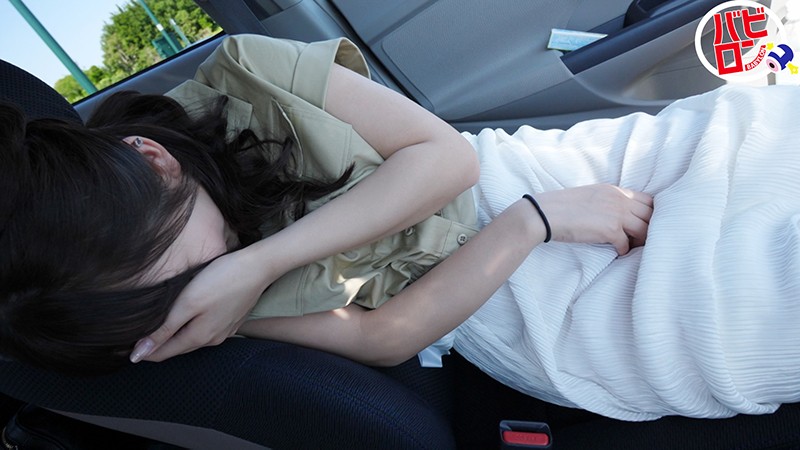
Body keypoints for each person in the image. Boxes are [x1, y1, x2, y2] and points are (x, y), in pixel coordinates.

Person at [2, 34, 799, 422]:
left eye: (191, 266)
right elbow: (385, 337)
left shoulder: (250, 71)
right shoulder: (195, 302)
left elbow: (446, 160)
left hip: (523, 175)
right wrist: (534, 224)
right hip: (500, 299)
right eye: (187, 287)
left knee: (755, 149)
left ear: (153, 162)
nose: (202, 283)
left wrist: (259, 263)